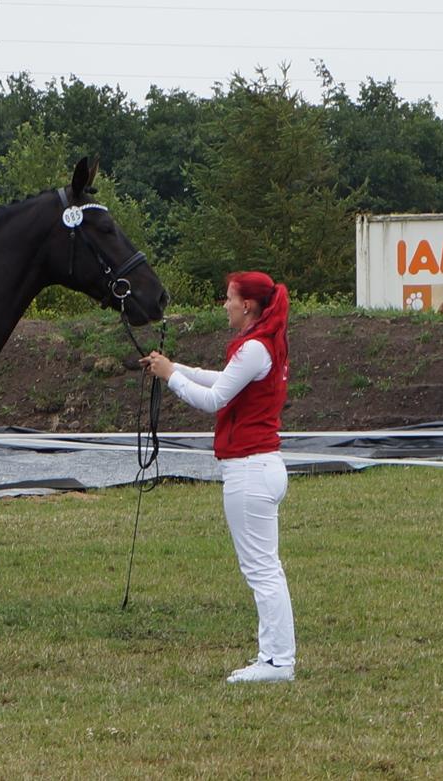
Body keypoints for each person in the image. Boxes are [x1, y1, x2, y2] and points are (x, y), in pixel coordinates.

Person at [141, 271, 296, 684]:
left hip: (249, 470)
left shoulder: (254, 348)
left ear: (247, 305)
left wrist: (171, 377)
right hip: (261, 467)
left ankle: (277, 662)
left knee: (261, 571)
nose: (224, 305)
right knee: (266, 569)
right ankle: (276, 658)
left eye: (228, 298)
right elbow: (224, 381)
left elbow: (214, 399)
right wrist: (175, 368)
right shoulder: (263, 344)